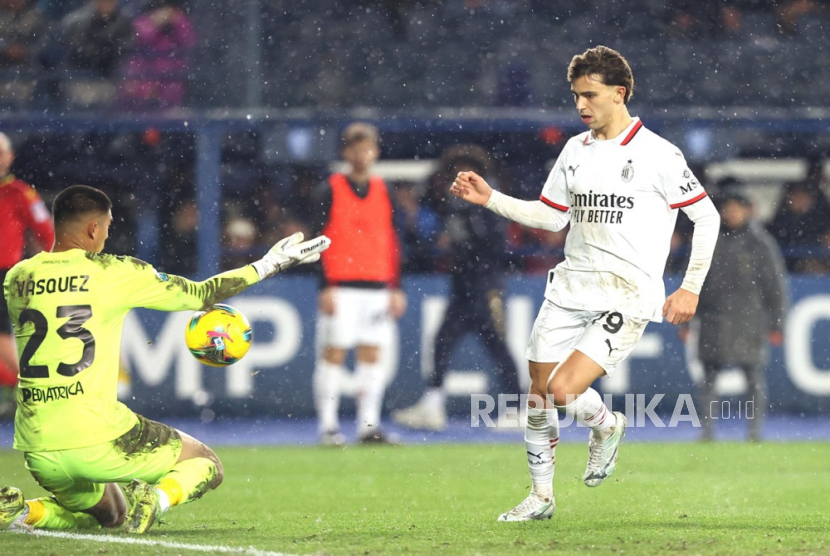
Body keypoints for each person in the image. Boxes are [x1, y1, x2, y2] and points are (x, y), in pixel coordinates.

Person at [448, 46, 721, 521]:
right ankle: (541, 497)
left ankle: (607, 425)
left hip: (627, 293)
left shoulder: (658, 154)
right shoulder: (575, 149)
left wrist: (690, 286)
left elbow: (707, 217)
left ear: (620, 93)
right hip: (571, 287)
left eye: (590, 95)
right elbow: (550, 219)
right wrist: (491, 198)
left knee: (564, 391)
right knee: (537, 391)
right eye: (576, 96)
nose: (581, 105)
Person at [0, 185, 330, 534]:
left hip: (38, 443)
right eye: (108, 226)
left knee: (111, 514)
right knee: (206, 463)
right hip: (94, 433)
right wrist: (270, 263)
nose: (108, 236)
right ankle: (156, 499)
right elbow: (203, 294)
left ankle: (22, 511)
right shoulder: (114, 272)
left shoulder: (17, 277)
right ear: (94, 229)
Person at [392, 145, 521, 431]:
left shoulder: (489, 202)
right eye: (454, 172)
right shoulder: (452, 204)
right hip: (464, 285)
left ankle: (518, 407)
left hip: (486, 286)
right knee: (443, 343)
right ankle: (433, 404)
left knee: (497, 345)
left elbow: (497, 243)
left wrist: (465, 241)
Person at [312, 122, 406, 446]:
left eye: (367, 147)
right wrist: (323, 285)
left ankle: (368, 425)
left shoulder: (385, 189)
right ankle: (328, 427)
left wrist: (396, 287)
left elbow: (394, 241)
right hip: (341, 285)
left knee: (371, 355)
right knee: (333, 354)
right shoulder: (330, 188)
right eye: (355, 148)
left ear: (375, 152)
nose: (362, 154)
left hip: (377, 286)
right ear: (345, 152)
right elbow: (316, 240)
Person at [693, 191, 788, 441]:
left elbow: (774, 286)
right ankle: (707, 431)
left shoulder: (760, 244)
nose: (732, 214)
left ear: (748, 211)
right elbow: (694, 281)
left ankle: (754, 431)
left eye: (736, 209)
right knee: (709, 378)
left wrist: (778, 322)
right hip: (715, 318)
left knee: (753, 377)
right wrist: (689, 317)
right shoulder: (711, 241)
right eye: (728, 209)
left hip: (750, 319)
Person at [0, 133, 55, 406]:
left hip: (4, 274)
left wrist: (50, 264)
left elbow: (47, 232)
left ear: (10, 158)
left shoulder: (21, 193)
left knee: (2, 337)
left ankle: (29, 389)